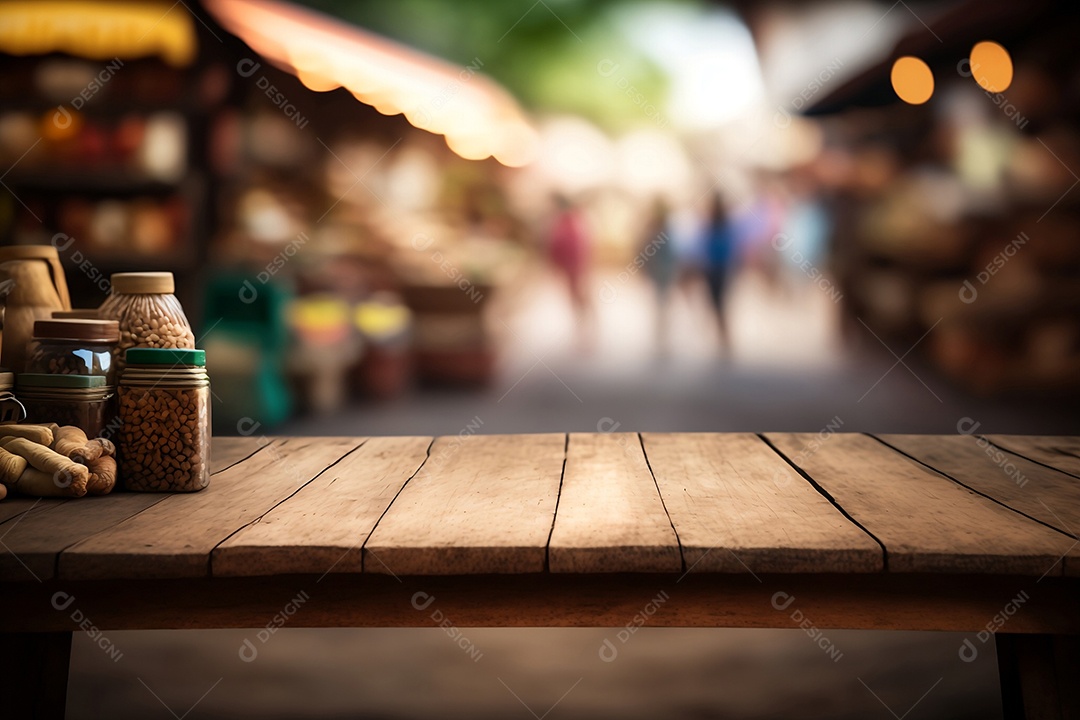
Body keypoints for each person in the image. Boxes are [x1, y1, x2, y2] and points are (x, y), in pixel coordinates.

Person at [547, 194, 593, 350]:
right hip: (572, 268)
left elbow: (572, 246)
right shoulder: (567, 222)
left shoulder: (569, 222)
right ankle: (583, 331)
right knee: (578, 298)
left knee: (580, 298)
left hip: (574, 268)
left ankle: (585, 332)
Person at [641, 198, 679, 355]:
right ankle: (662, 339)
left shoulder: (664, 232)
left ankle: (663, 338)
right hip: (661, 273)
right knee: (662, 305)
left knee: (662, 306)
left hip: (664, 273)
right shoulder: (660, 232)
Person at [701, 193, 734, 357]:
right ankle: (723, 337)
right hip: (720, 267)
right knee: (719, 303)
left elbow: (707, 244)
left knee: (717, 303)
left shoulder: (714, 223)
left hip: (715, 267)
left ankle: (723, 337)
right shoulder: (722, 222)